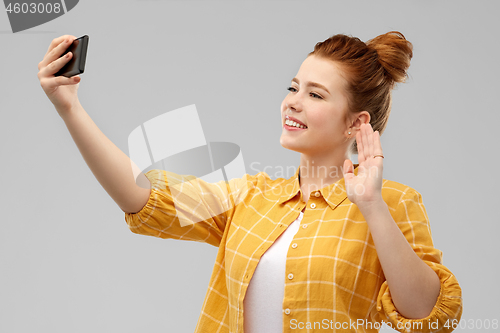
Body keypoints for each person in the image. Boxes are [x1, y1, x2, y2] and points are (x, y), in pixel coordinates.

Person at [38, 31, 462, 333]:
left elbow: (431, 316)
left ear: (356, 122)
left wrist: (371, 205)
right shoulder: (251, 196)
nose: (293, 101)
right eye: (294, 86)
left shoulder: (393, 203)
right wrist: (69, 108)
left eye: (315, 94)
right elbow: (142, 196)